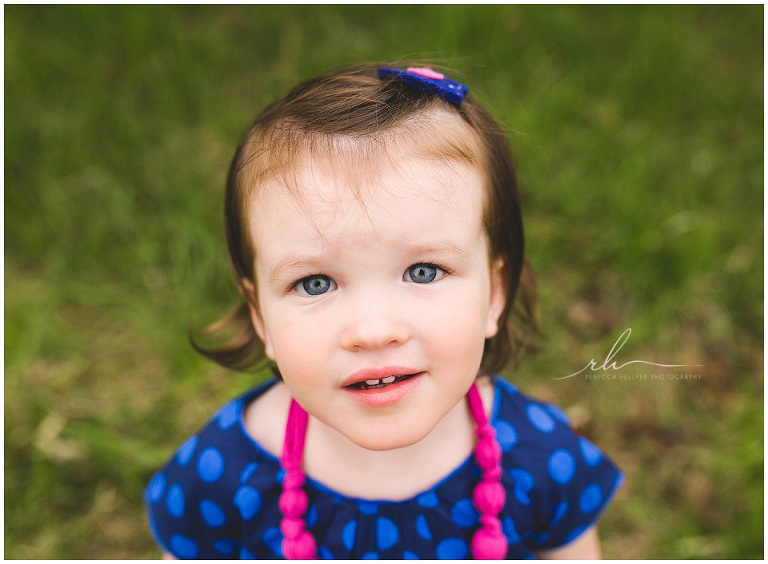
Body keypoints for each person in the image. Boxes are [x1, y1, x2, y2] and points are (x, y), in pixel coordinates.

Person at [144, 63, 622, 559]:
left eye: (423, 272)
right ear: (261, 316)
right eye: (314, 282)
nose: (373, 331)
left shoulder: (539, 459)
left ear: (495, 294)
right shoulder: (223, 474)